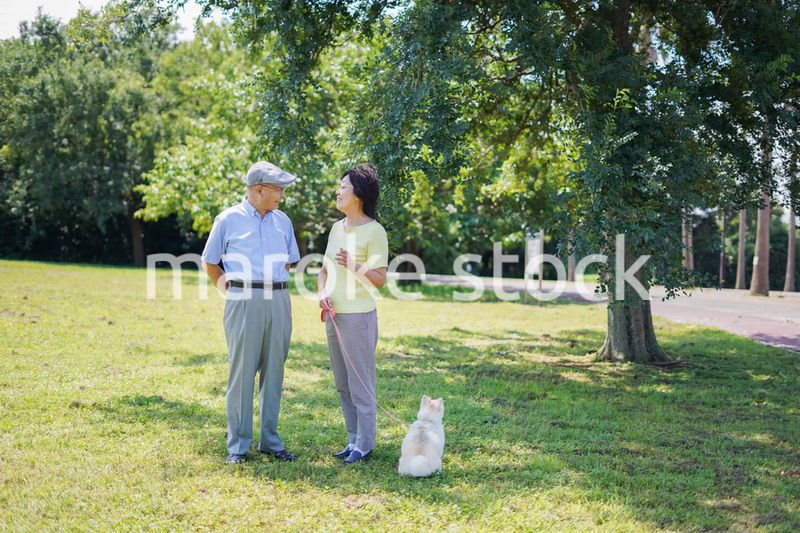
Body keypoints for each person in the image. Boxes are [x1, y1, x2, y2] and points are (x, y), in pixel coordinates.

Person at [201, 161, 300, 464]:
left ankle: (270, 441)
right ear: (259, 189)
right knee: (242, 373)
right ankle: (238, 447)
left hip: (280, 301)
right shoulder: (227, 219)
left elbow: (290, 261)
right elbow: (210, 261)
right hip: (243, 299)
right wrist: (230, 292)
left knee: (274, 371)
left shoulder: (283, 221)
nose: (282, 195)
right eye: (278, 189)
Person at [317, 163, 389, 465]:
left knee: (361, 383)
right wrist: (321, 293)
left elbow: (380, 279)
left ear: (358, 193)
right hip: (334, 316)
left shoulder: (375, 231)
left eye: (343, 186)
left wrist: (354, 266)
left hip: (359, 318)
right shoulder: (336, 228)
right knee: (343, 382)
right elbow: (324, 270)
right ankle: (352, 439)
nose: (338, 191)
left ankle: (365, 444)